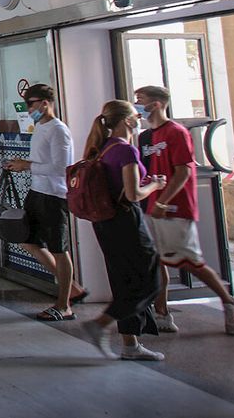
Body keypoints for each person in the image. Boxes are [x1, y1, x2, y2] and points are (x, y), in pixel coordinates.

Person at [136, 85, 234, 335]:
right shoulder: (144, 137)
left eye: (141, 100)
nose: (138, 106)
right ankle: (162, 312)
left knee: (189, 260)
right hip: (152, 207)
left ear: (157, 104)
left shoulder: (176, 133)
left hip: (176, 207)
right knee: (157, 260)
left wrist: (165, 201)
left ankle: (228, 302)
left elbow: (184, 171)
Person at [81, 100, 167, 361]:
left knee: (124, 280)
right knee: (150, 279)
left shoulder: (103, 148)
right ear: (128, 121)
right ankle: (100, 324)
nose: (140, 118)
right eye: (136, 115)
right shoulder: (126, 151)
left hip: (105, 222)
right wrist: (155, 185)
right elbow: (132, 194)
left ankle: (130, 345)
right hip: (125, 221)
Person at [3, 84, 85, 321]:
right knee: (27, 240)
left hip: (54, 195)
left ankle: (64, 304)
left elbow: (62, 168)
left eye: (31, 104)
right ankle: (73, 289)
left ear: (45, 103)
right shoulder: (40, 127)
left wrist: (27, 165)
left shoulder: (59, 130)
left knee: (60, 249)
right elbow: (42, 160)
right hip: (37, 191)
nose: (29, 110)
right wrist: (21, 163)